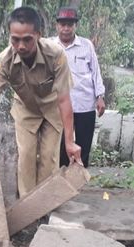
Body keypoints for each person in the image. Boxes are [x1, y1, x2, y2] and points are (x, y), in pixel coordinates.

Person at [0, 6, 82, 197]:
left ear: (38, 34)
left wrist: (70, 142)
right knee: (26, 158)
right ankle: (28, 211)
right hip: (25, 109)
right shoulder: (4, 60)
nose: (21, 45)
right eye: (15, 39)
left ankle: (45, 206)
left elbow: (64, 99)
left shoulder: (56, 55)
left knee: (49, 159)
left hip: (52, 107)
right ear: (10, 36)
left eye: (27, 39)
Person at [52, 7, 105, 168]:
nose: (66, 28)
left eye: (70, 24)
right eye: (63, 24)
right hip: (59, 105)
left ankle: (80, 180)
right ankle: (62, 181)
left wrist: (100, 96)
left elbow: (95, 71)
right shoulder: (49, 46)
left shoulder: (86, 45)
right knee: (61, 147)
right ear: (57, 26)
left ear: (75, 26)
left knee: (84, 146)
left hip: (84, 104)